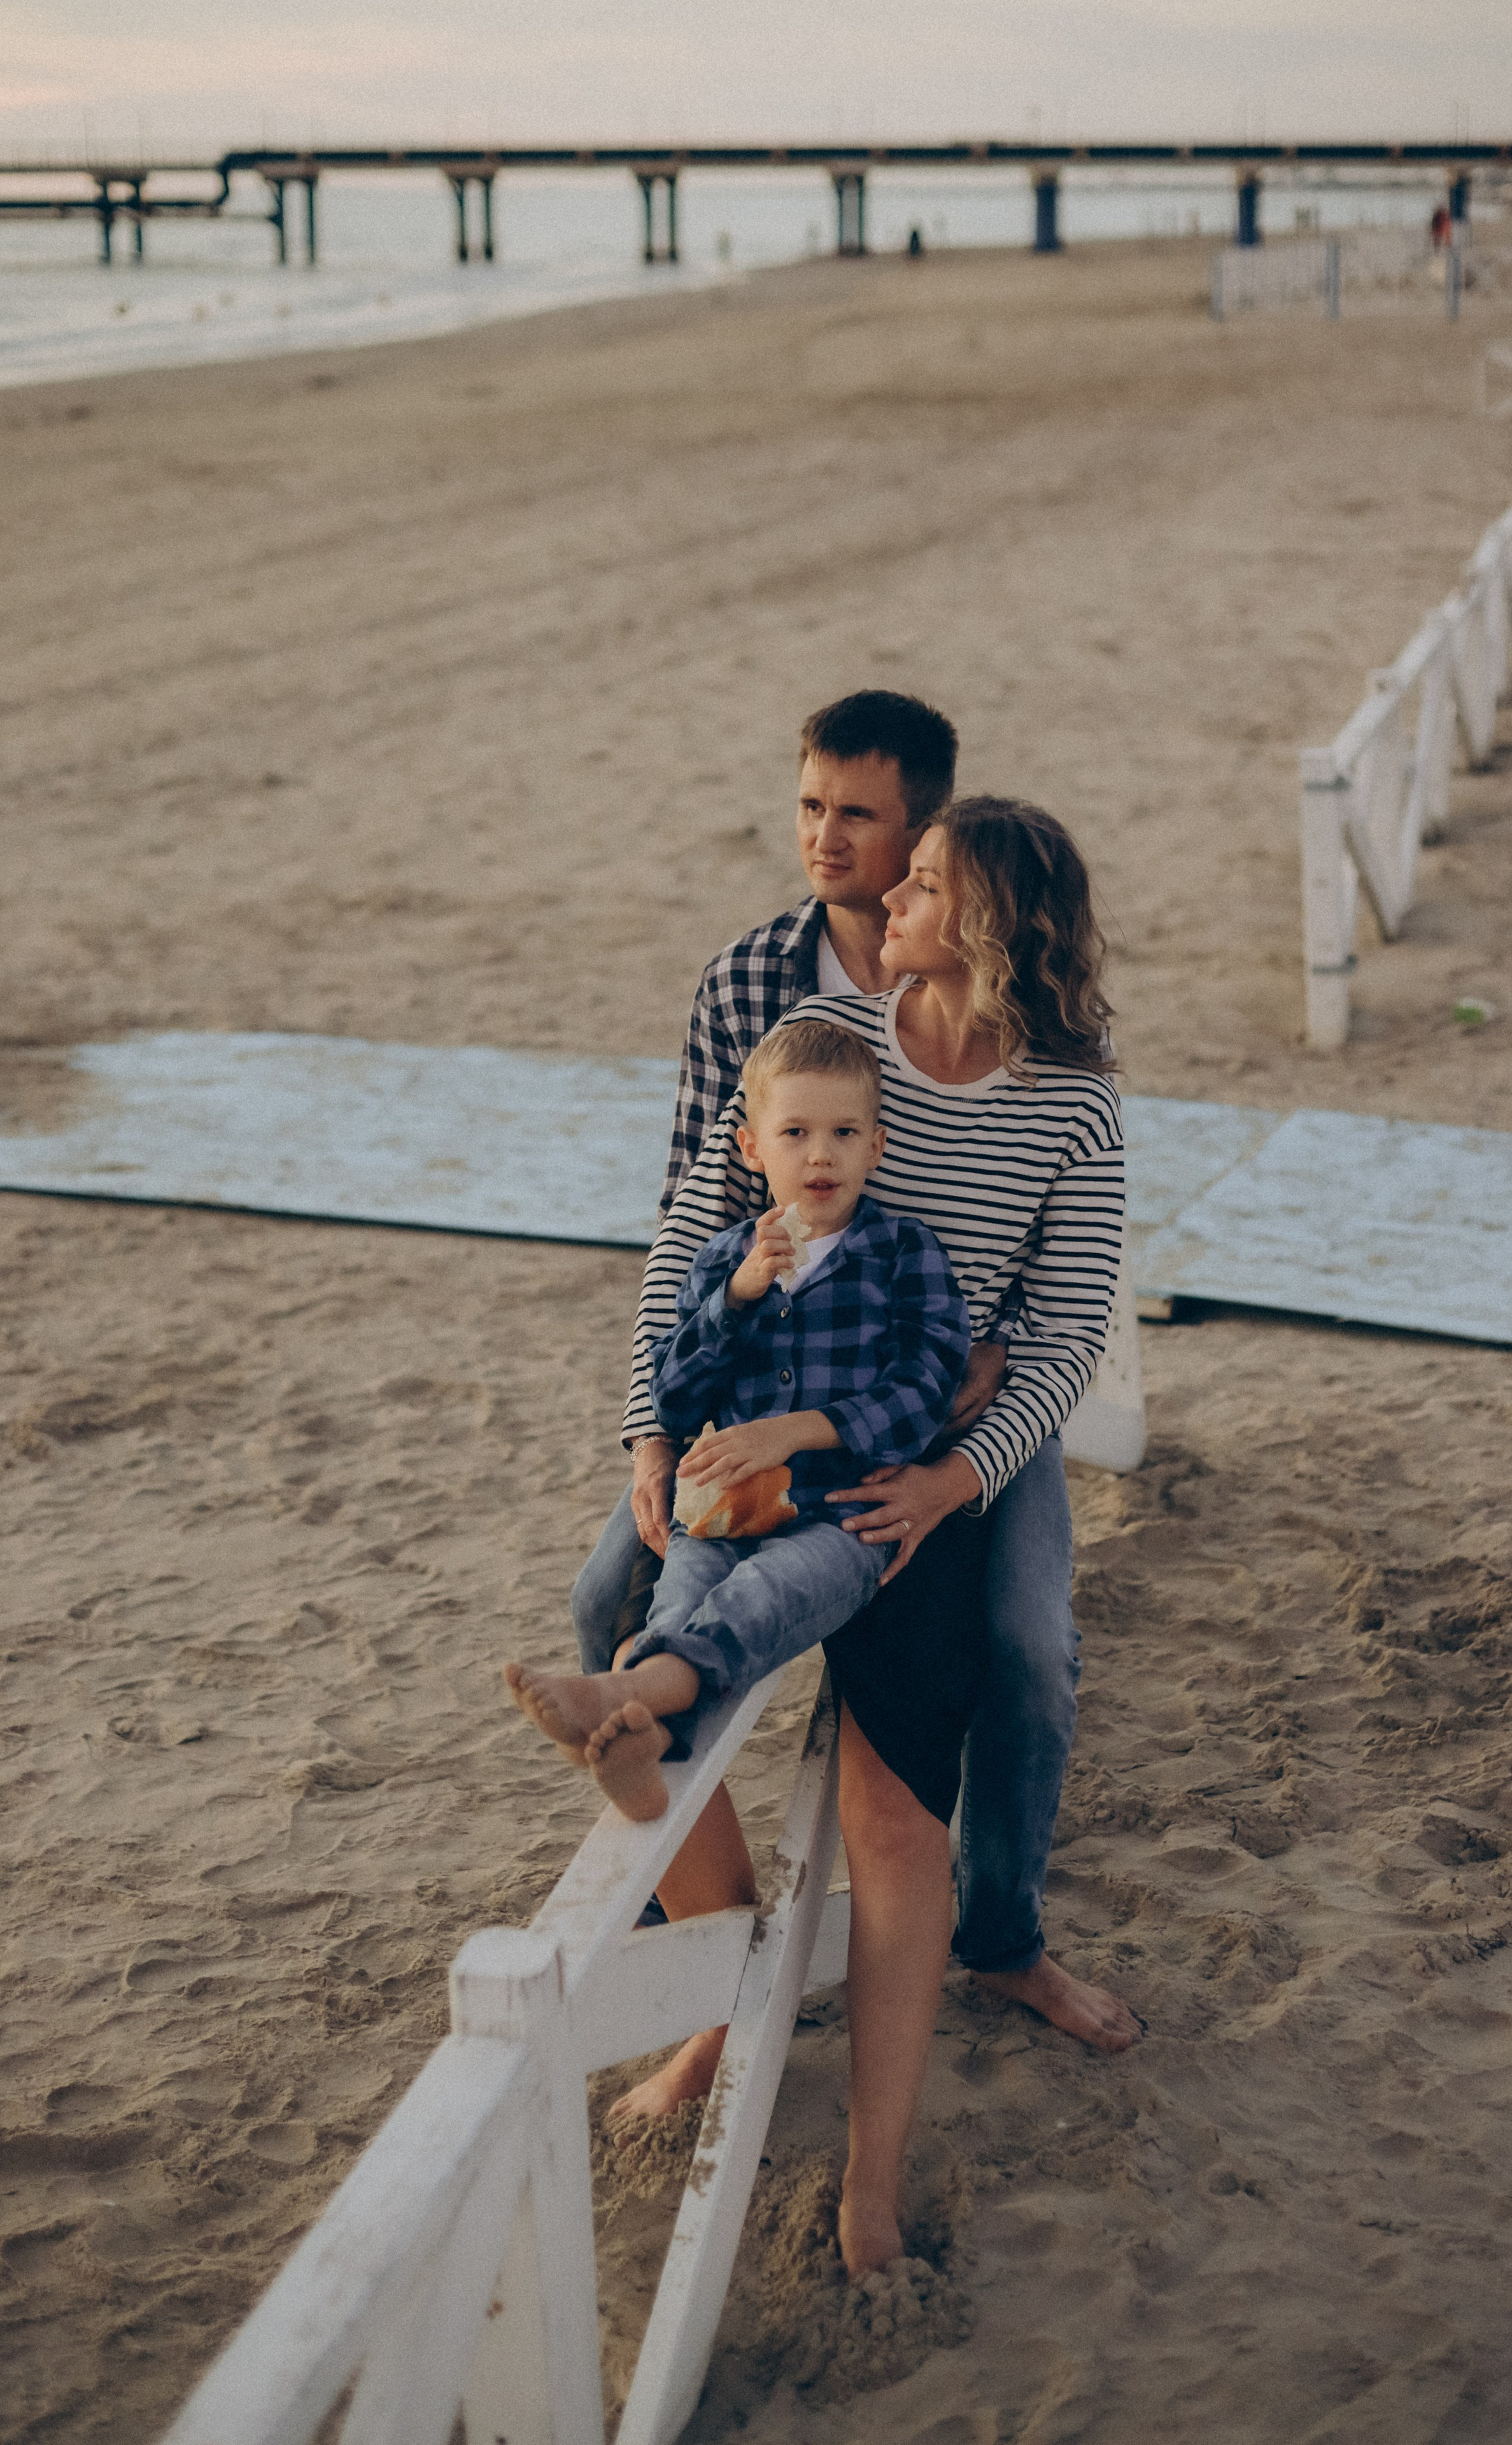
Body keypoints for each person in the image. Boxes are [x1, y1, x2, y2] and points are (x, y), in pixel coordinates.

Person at [609, 798, 1140, 2272]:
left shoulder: (1072, 1103)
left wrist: (950, 1471)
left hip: (946, 1439)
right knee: (608, 1589)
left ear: (983, 925)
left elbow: (1055, 1344)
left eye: (915, 877)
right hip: (757, 1403)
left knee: (1028, 1651)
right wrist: (648, 1429)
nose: (876, 885)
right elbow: (699, 1236)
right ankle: (719, 1996)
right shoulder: (830, 1037)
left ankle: (1005, 1938)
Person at [505, 1020, 970, 1819]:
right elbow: (676, 1397)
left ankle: (633, 1689)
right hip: (715, 1514)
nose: (820, 1155)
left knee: (764, 1593)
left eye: (843, 1133)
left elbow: (924, 1392)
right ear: (753, 1150)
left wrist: (796, 1430)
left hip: (842, 1519)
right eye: (796, 1133)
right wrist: (737, 1301)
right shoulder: (720, 1261)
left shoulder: (905, 1255)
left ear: (877, 1147)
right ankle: (646, 1751)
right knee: (681, 1596)